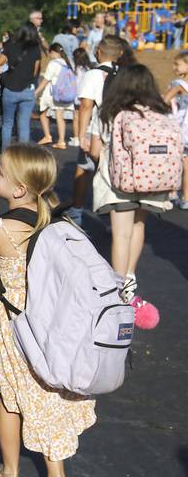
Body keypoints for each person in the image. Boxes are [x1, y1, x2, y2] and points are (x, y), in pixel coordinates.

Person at [0, 143, 96, 477]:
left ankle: (10, 474)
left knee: (11, 399)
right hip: (52, 323)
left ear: (19, 188)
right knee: (48, 393)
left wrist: (5, 279)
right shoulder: (58, 221)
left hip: (12, 323)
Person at [92, 64, 176, 301]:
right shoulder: (161, 113)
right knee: (139, 227)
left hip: (119, 183)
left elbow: (95, 149)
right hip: (153, 180)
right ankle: (130, 277)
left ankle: (118, 287)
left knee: (121, 233)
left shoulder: (110, 112)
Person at [66, 35, 125, 225]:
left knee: (84, 169)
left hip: (98, 130)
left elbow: (86, 106)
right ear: (121, 54)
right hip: (122, 130)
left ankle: (76, 211)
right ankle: (114, 217)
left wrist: (81, 136)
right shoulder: (127, 73)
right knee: (115, 172)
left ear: (98, 52)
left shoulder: (93, 74)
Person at [0, 22, 41, 149]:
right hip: (28, 90)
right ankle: (22, 156)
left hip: (10, 89)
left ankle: (5, 153)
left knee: (7, 123)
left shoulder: (11, 47)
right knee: (24, 124)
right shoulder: (36, 49)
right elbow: (35, 72)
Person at [34, 43, 74, 149]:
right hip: (64, 92)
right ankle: (61, 141)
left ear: (52, 52)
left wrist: (37, 91)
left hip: (52, 93)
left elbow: (46, 80)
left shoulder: (53, 63)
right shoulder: (67, 62)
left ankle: (47, 136)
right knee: (60, 116)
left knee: (42, 112)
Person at [163, 51, 188, 210]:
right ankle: (186, 197)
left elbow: (165, 100)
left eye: (177, 64)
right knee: (186, 163)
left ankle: (171, 191)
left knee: (171, 159)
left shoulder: (179, 84)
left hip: (178, 127)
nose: (174, 67)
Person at [68, 47, 94, 147]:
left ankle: (77, 138)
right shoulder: (90, 69)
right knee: (87, 118)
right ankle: (85, 136)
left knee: (76, 117)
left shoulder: (76, 69)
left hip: (78, 96)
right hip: (88, 96)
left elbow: (75, 83)